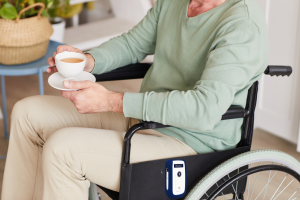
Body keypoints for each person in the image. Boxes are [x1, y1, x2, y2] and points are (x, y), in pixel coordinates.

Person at [1, 0, 268, 199]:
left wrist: (111, 101)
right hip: (145, 122)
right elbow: (133, 44)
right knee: (27, 112)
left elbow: (203, 110)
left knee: (63, 150)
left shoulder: (241, 24)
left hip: (191, 145)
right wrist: (86, 60)